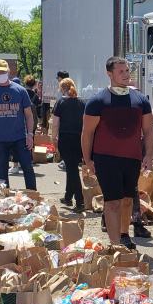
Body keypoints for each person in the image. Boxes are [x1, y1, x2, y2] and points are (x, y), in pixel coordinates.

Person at [82, 56, 153, 250]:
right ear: (109, 74)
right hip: (106, 159)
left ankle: (124, 235)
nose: (125, 74)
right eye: (121, 71)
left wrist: (148, 155)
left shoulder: (140, 100)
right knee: (112, 202)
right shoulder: (98, 101)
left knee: (128, 199)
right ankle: (115, 245)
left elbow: (148, 130)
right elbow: (87, 133)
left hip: (132, 159)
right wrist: (87, 160)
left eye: (127, 70)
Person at [0, 59, 37, 190]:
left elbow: (29, 115)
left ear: (8, 72)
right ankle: (5, 201)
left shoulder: (20, 90)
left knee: (27, 168)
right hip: (0, 139)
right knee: (2, 173)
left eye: (3, 71)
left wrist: (30, 134)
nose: (0, 74)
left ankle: (33, 196)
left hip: (20, 138)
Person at [52, 78, 85, 211]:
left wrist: (53, 138)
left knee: (72, 170)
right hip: (79, 139)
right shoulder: (82, 103)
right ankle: (68, 196)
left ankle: (80, 200)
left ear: (62, 89)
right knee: (71, 168)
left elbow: (55, 124)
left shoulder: (60, 103)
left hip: (65, 139)